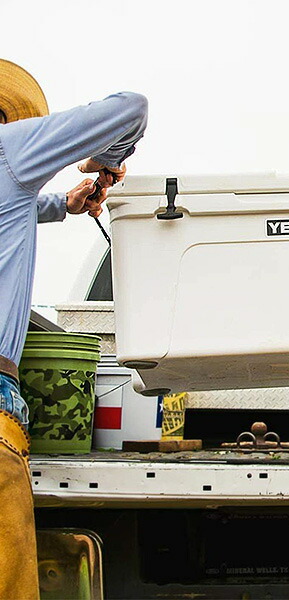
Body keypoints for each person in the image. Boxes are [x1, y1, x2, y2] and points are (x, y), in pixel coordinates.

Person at [0, 58, 148, 599]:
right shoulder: (10, 148)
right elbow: (130, 108)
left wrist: (65, 203)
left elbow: (13, 206)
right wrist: (104, 157)